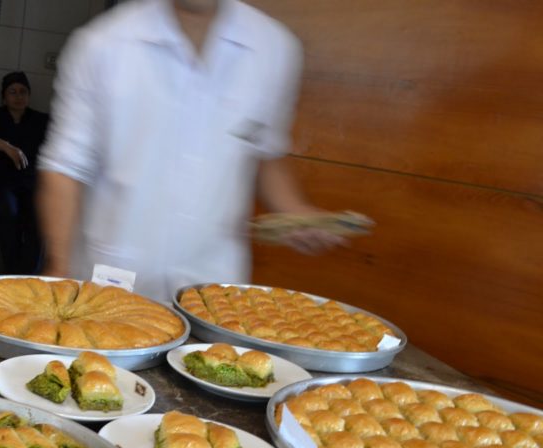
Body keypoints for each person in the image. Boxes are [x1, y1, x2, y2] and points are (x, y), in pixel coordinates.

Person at [37, 0, 346, 302]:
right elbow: (65, 167)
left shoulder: (273, 47)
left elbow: (264, 153)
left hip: (213, 283)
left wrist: (294, 211)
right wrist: (60, 271)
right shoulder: (103, 44)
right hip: (114, 278)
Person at [0, 71, 50, 274]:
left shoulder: (41, 120)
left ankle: (29, 275)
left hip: (31, 184)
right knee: (9, 214)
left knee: (38, 217)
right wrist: (7, 147)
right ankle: (11, 271)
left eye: (23, 92)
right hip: (1, 184)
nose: (18, 96)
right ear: (4, 96)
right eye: (13, 92)